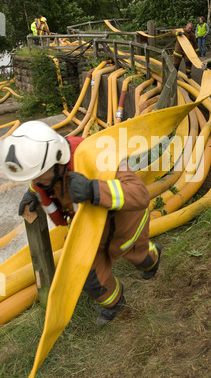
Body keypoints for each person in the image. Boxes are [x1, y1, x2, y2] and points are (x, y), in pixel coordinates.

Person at [1, 121, 161, 326]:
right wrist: (33, 192)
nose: (36, 182)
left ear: (56, 159)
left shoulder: (97, 155)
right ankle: (115, 302)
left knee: (142, 258)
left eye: (37, 177)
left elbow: (139, 195)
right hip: (88, 231)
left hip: (125, 228)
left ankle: (152, 256)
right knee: (89, 278)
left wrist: (94, 189)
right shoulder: (46, 173)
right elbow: (47, 188)